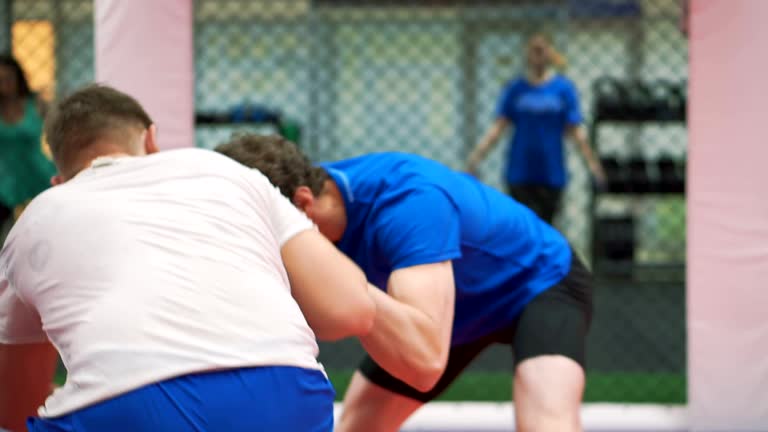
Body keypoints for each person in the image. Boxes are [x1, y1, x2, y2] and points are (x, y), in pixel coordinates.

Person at [0, 85, 377, 432]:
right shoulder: (227, 172)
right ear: (151, 139)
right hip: (290, 391)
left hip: (126, 405)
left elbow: (16, 405)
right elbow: (351, 308)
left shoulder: (39, 215)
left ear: (59, 180)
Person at [216, 134, 594, 432]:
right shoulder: (296, 200)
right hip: (445, 306)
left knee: (546, 422)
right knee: (358, 428)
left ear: (303, 205)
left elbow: (425, 361)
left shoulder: (407, 202)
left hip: (538, 283)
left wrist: (343, 288)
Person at [466, 33, 605, 224]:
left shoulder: (563, 89)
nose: (538, 55)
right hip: (520, 171)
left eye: (542, 50)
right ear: (527, 54)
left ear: (550, 52)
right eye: (534, 50)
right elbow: (498, 127)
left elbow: (576, 131)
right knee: (521, 227)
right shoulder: (516, 89)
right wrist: (477, 157)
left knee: (547, 230)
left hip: (551, 172)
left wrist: (592, 164)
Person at [0, 55, 56, 233]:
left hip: (37, 172)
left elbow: (61, 130)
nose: (5, 84)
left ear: (18, 78)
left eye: (8, 78)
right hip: (5, 178)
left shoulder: (36, 104)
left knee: (46, 227)